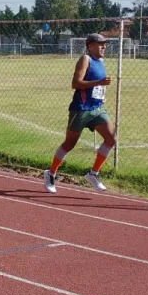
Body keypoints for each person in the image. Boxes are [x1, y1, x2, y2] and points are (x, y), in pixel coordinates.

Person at [43, 32, 117, 194]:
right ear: (90, 46)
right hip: (81, 109)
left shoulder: (101, 61)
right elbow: (75, 83)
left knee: (111, 139)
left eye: (105, 44)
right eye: (100, 44)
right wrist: (98, 82)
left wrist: (101, 94)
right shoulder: (85, 59)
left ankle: (93, 173)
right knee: (69, 144)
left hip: (96, 109)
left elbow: (98, 86)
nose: (104, 47)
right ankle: (51, 173)